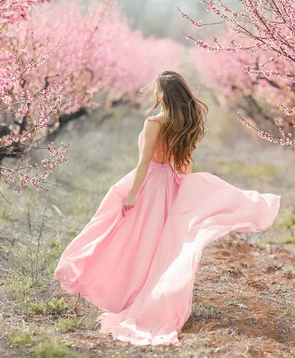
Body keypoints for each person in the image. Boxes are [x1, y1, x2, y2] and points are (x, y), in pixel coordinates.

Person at [54, 71, 281, 346]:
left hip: (149, 186)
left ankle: (117, 290)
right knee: (157, 248)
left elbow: (144, 163)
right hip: (170, 186)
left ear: (163, 94)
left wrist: (131, 195)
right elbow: (183, 164)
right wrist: (181, 190)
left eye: (157, 90)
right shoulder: (182, 122)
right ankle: (140, 296)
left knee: (122, 237)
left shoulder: (154, 122)